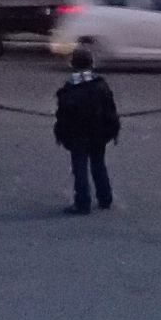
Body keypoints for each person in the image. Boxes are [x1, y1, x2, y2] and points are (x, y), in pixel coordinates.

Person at [53, 47, 121, 216]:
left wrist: (61, 134)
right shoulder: (100, 84)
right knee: (99, 164)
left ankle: (82, 203)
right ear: (91, 64)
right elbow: (110, 110)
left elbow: (62, 115)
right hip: (98, 132)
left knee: (80, 168)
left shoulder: (69, 88)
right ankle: (105, 198)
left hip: (77, 134)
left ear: (73, 65)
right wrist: (112, 130)